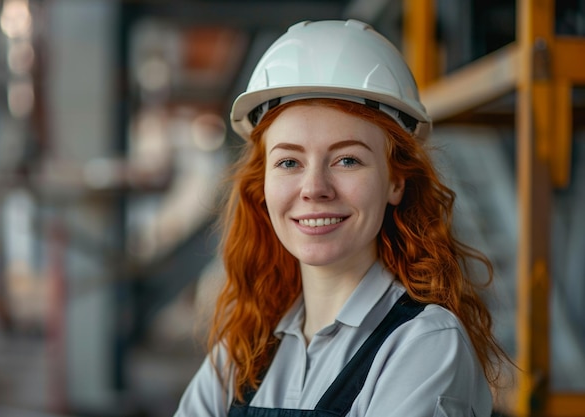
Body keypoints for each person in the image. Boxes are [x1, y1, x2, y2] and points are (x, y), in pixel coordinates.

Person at [174, 19, 507, 417]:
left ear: (396, 181)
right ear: (262, 184)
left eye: (347, 159)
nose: (314, 188)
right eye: (289, 161)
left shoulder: (424, 345)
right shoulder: (245, 350)